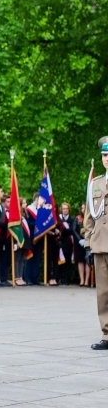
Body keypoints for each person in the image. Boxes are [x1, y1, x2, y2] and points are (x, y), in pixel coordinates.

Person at [85, 137, 108, 350]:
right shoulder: (96, 183)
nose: (107, 159)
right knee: (103, 292)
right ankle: (107, 334)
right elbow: (89, 215)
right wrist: (88, 239)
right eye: (104, 155)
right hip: (100, 244)